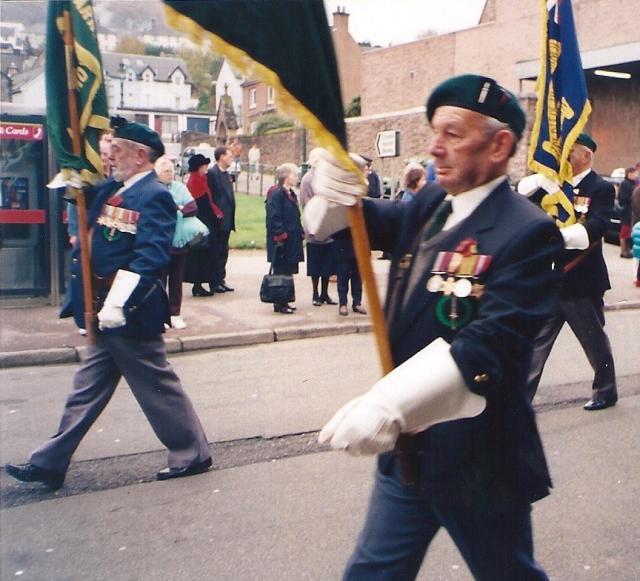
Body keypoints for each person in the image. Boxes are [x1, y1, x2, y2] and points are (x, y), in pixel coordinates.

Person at [306, 74, 564, 579]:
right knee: (372, 571)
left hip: (477, 461)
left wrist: (388, 402)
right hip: (408, 454)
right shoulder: (430, 204)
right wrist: (331, 190)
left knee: (508, 573)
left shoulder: (528, 232)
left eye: (452, 133)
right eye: (434, 132)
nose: (435, 148)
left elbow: (488, 344)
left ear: (499, 146)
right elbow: (370, 222)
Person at [4, 118, 212, 490]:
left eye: (116, 150)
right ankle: (50, 462)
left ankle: (192, 453)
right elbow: (85, 214)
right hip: (103, 308)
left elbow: (150, 257)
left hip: (130, 310)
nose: (110, 156)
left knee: (157, 387)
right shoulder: (113, 189)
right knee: (86, 389)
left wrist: (118, 304)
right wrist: (74, 182)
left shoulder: (155, 195)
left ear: (140, 155)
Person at [526, 133, 618, 412]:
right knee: (537, 341)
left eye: (569, 152)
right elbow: (523, 194)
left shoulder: (599, 187)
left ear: (586, 156)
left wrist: (558, 237)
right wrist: (541, 178)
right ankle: (520, 398)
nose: (563, 157)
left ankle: (606, 390)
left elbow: (598, 226)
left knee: (593, 340)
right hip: (553, 278)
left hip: (581, 280)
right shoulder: (557, 185)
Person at [155, 156, 208, 330]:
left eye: (171, 171)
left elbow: (192, 207)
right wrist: (176, 209)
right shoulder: (155, 189)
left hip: (180, 242)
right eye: (166, 171)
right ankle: (161, 315)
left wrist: (178, 210)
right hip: (161, 242)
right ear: (158, 173)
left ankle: (175, 313)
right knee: (160, 280)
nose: (170, 174)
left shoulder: (179, 187)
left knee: (176, 280)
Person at [299, 148, 337, 306]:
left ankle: (325, 293)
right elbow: (307, 203)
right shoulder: (308, 179)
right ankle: (315, 293)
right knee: (315, 263)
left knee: (328, 264)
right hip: (315, 226)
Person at [265, 162, 304, 314]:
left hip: (292, 239)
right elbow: (274, 216)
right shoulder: (276, 193)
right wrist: (280, 234)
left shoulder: (291, 193)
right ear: (286, 177)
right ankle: (279, 303)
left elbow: (295, 215)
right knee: (280, 271)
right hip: (282, 241)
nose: (296, 177)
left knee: (288, 271)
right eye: (294, 175)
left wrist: (300, 231)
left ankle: (286, 299)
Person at [334, 154, 368, 317]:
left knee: (358, 275)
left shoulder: (362, 192)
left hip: (360, 242)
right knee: (343, 274)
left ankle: (357, 302)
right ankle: (342, 303)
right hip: (344, 242)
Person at [184, 153, 222, 297]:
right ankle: (198, 284)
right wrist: (215, 217)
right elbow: (203, 204)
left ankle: (201, 283)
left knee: (203, 253)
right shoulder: (196, 181)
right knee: (201, 253)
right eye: (204, 165)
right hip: (202, 221)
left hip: (203, 219)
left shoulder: (200, 179)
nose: (206, 167)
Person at [207, 146, 236, 293]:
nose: (231, 158)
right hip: (217, 220)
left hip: (227, 219)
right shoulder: (212, 173)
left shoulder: (226, 174)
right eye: (229, 155)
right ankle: (214, 281)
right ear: (222, 157)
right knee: (216, 251)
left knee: (224, 251)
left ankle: (221, 279)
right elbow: (210, 197)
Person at [618, 166, 638, 258]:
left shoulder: (634, 184)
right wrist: (632, 197)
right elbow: (622, 198)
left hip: (632, 211)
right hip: (626, 211)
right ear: (629, 174)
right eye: (634, 174)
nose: (636, 175)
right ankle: (623, 251)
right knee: (625, 231)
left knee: (629, 232)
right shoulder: (625, 184)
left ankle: (628, 250)